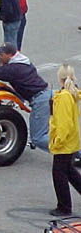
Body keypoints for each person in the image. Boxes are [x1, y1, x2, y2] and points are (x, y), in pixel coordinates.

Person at [0, 42, 51, 152]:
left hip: (40, 101)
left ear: (10, 55)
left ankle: (69, 153)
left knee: (38, 138)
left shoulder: (14, 69)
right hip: (45, 96)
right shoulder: (22, 60)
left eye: (1, 54)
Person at [48, 64, 81, 216]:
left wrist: (57, 141)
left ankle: (64, 207)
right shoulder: (72, 94)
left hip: (64, 143)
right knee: (69, 171)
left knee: (59, 173)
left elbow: (63, 124)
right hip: (72, 141)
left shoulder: (63, 98)